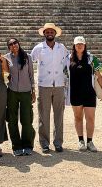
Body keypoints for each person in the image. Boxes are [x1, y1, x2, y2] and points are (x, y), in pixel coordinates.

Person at [31, 22, 69, 153]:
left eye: (51, 32)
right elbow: (30, 64)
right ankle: (44, 143)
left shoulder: (61, 48)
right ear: (44, 34)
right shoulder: (38, 48)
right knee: (43, 116)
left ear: (55, 33)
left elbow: (67, 63)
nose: (49, 34)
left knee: (59, 115)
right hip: (44, 85)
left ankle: (58, 142)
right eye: (47, 32)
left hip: (59, 84)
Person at [68, 36, 102, 153]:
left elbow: (98, 75)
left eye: (82, 44)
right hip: (75, 93)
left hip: (89, 92)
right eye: (77, 44)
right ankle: (81, 141)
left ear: (85, 46)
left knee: (90, 118)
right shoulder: (67, 59)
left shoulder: (92, 58)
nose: (79, 46)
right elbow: (64, 74)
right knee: (78, 117)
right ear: (74, 46)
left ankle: (90, 141)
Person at [5, 38, 36, 156]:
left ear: (19, 44)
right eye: (11, 44)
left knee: (26, 119)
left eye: (15, 43)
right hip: (12, 91)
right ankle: (16, 145)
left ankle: (27, 144)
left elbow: (31, 75)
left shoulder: (27, 57)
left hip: (26, 91)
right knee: (12, 120)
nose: (14, 45)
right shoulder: (7, 58)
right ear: (9, 47)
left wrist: (33, 91)